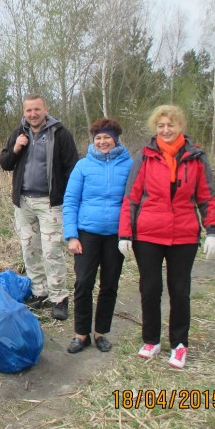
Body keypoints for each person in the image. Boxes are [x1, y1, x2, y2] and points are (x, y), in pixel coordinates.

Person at [118, 105, 215, 369]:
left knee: (180, 290)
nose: (166, 130)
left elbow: (206, 197)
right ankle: (151, 339)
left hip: (184, 234)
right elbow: (132, 197)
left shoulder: (196, 157)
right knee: (150, 289)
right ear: (156, 128)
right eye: (161, 126)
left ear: (180, 127)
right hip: (148, 234)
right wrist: (125, 233)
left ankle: (179, 344)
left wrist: (213, 231)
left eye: (170, 125)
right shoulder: (145, 157)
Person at [0, 94, 79, 320]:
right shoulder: (19, 133)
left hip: (50, 203)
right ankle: (39, 293)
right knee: (30, 250)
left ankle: (59, 298)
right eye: (28, 111)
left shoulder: (60, 134)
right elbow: (5, 163)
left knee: (53, 251)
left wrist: (68, 198)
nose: (33, 114)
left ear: (45, 109)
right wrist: (15, 148)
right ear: (24, 113)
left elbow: (72, 168)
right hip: (23, 202)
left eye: (37, 110)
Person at [63, 119, 132, 354]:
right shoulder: (83, 166)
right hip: (86, 234)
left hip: (116, 235)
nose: (102, 142)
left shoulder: (130, 165)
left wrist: (129, 234)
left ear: (116, 139)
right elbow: (70, 201)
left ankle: (101, 333)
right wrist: (71, 235)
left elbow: (133, 201)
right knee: (83, 283)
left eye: (107, 137)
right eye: (98, 138)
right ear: (93, 141)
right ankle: (81, 334)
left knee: (109, 285)